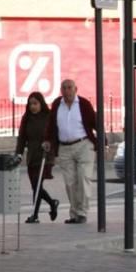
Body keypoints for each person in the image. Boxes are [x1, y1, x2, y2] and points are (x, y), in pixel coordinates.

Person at [43, 79, 97, 224]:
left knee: (83, 178)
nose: (67, 91)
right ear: (61, 90)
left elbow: (94, 121)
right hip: (64, 147)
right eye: (64, 88)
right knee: (70, 182)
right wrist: (48, 140)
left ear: (75, 89)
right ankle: (74, 213)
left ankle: (82, 212)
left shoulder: (84, 104)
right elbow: (51, 124)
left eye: (69, 88)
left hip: (83, 145)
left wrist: (101, 138)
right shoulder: (57, 104)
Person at [16, 92, 59, 223]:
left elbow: (55, 135)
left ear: (41, 103)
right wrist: (18, 153)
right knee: (36, 185)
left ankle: (34, 215)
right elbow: (22, 137)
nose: (33, 106)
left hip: (45, 155)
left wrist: (51, 146)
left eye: (35, 103)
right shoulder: (27, 118)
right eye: (30, 104)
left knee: (37, 184)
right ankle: (52, 203)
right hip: (32, 155)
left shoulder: (49, 117)